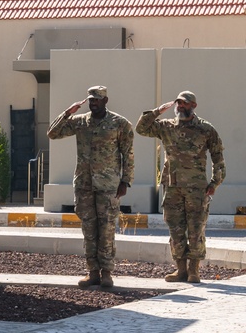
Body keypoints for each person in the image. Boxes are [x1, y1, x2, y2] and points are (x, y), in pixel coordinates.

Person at [47, 85, 134, 288]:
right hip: (84, 184)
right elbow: (52, 133)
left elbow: (128, 154)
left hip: (109, 185)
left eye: (97, 99)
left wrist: (125, 181)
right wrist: (68, 113)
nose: (93, 102)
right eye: (91, 99)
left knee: (107, 229)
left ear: (105, 101)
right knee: (89, 229)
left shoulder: (120, 124)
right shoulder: (80, 122)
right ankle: (92, 271)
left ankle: (107, 273)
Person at [136, 90, 225, 284]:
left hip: (197, 188)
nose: (181, 106)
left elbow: (218, 158)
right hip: (173, 187)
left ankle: (194, 270)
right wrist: (157, 111)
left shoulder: (205, 129)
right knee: (175, 229)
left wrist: (214, 183)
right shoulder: (167, 126)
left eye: (185, 103)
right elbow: (141, 129)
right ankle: (180, 270)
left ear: (194, 106)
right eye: (178, 103)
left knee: (195, 230)